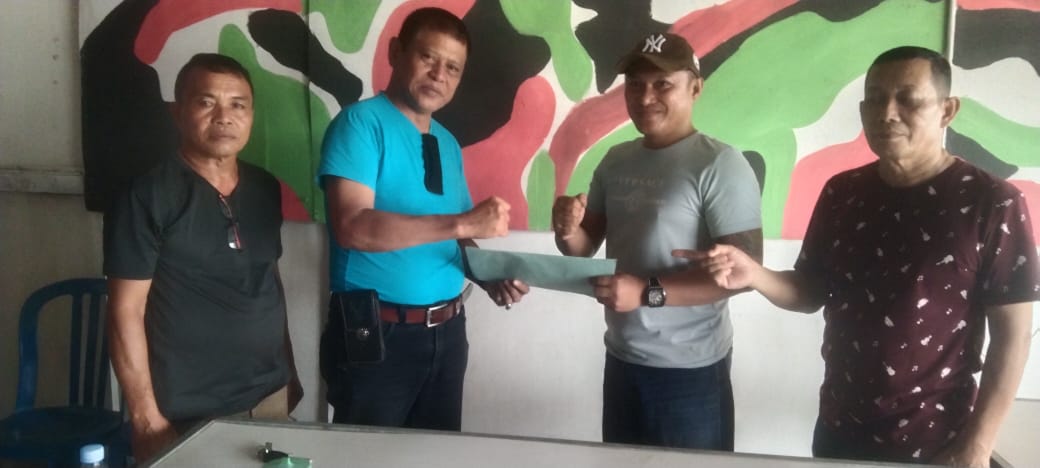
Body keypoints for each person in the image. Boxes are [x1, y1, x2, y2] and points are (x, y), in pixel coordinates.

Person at [689, 46, 1038, 466]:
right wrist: (754, 275)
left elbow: (1013, 337)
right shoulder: (843, 193)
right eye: (874, 99)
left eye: (908, 99)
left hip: (936, 443)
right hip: (839, 432)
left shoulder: (993, 203)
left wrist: (977, 448)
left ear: (947, 110)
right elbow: (810, 291)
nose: (887, 113)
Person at [317, 7, 529, 431]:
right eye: (427, 57)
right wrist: (464, 224)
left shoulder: (447, 142)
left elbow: (455, 235)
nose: (438, 74)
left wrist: (488, 275)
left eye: (452, 67)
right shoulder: (359, 124)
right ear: (396, 53)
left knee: (436, 454)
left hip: (448, 332)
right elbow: (352, 227)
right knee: (367, 458)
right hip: (377, 335)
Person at [552, 32, 763, 450]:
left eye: (662, 84)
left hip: (691, 373)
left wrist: (645, 292)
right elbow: (582, 248)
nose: (645, 97)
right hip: (622, 357)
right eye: (635, 84)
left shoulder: (721, 163)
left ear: (695, 88)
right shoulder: (616, 160)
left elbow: (744, 275)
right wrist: (567, 229)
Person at [104, 53, 302, 462]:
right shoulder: (146, 196)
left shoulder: (265, 189)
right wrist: (145, 419)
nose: (224, 117)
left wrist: (290, 372)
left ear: (251, 116)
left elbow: (269, 281)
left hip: (268, 396)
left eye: (238, 105)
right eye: (206, 102)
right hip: (185, 411)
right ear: (177, 112)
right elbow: (125, 311)